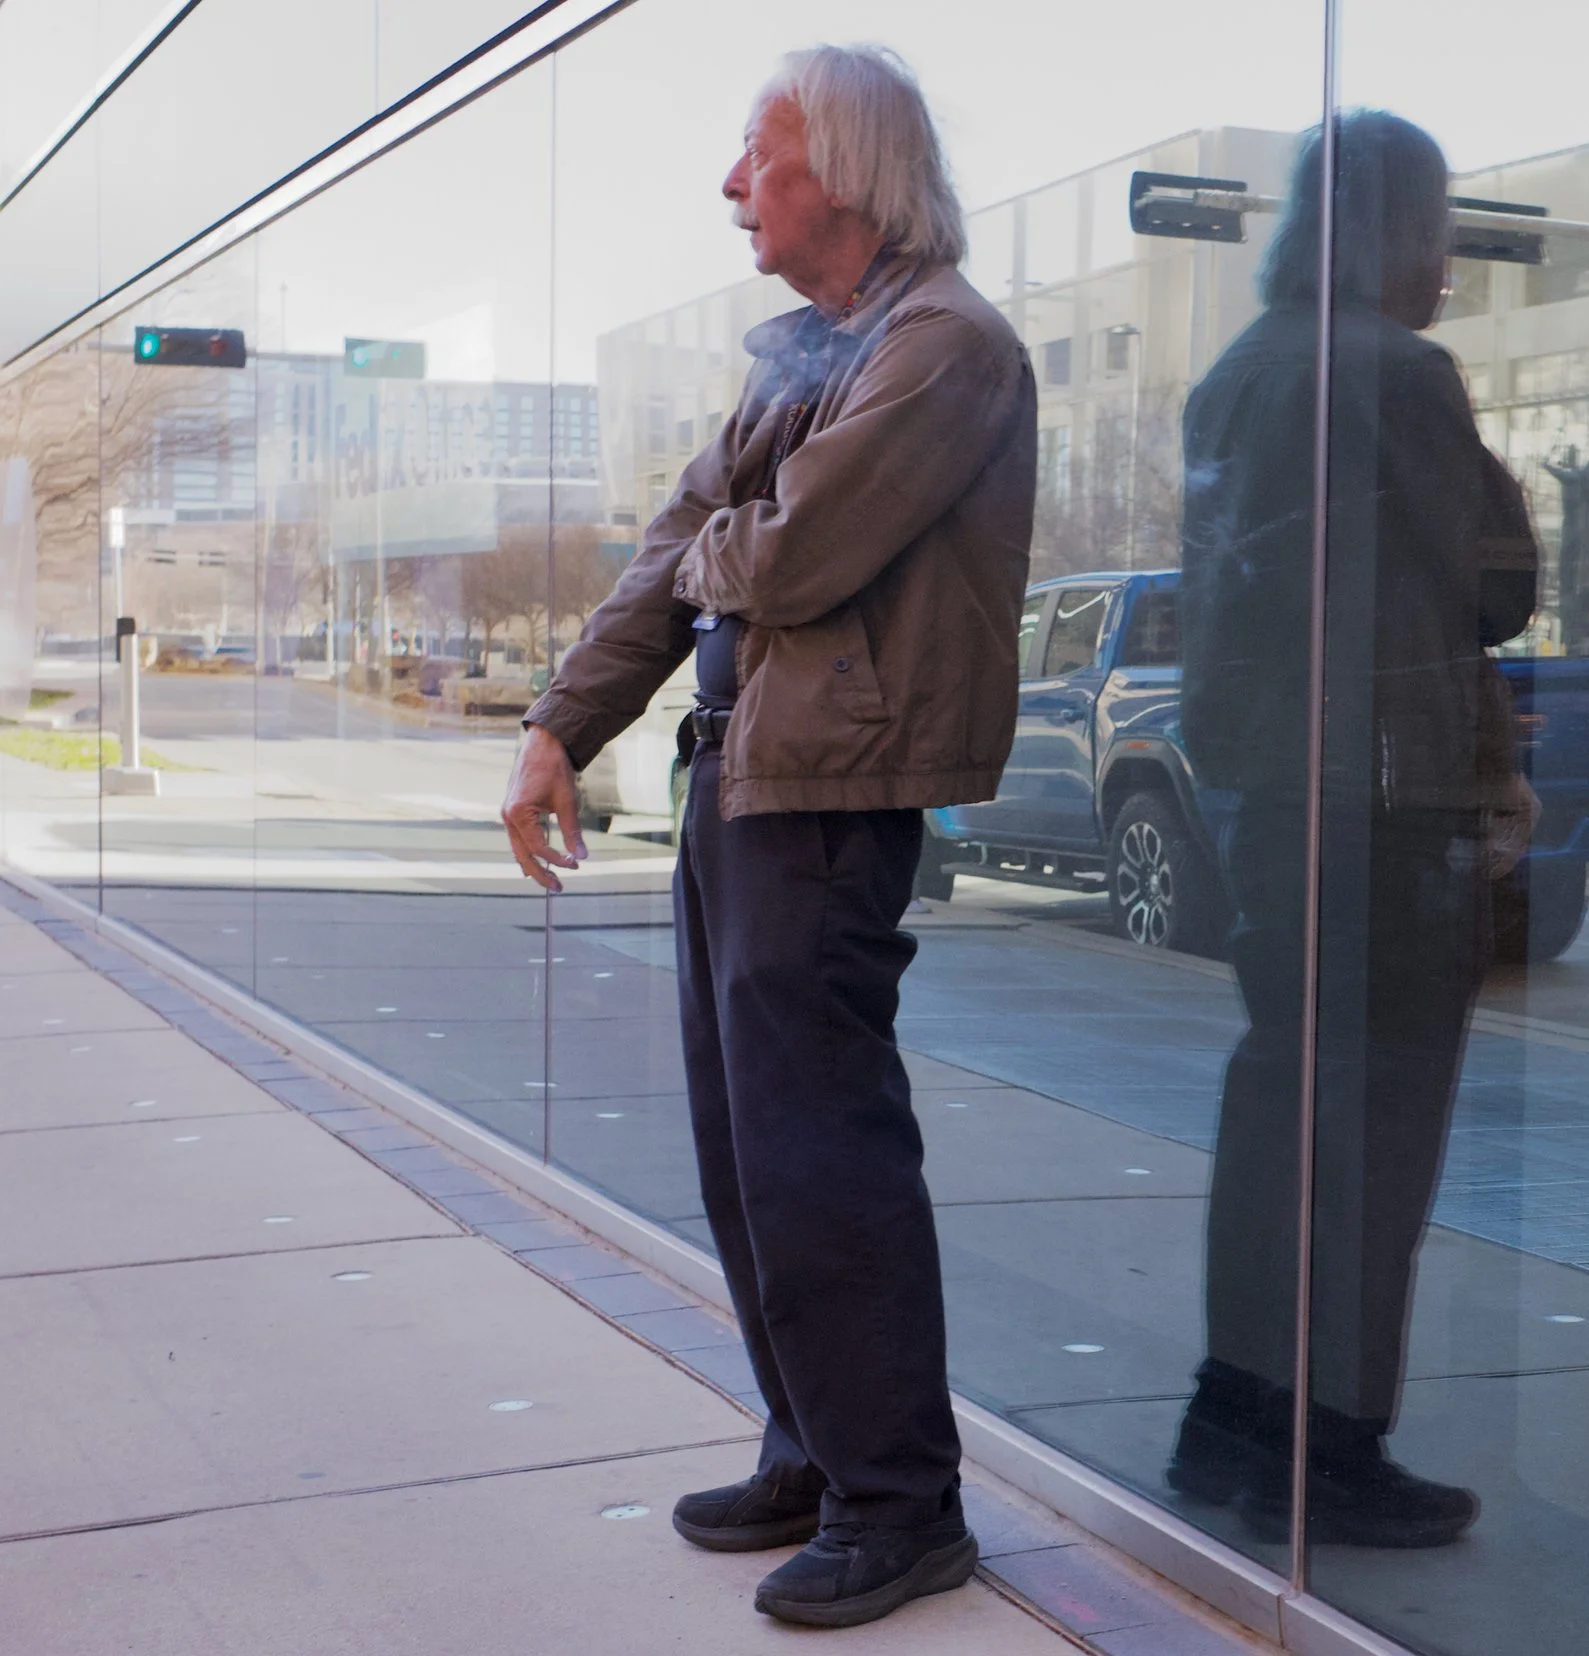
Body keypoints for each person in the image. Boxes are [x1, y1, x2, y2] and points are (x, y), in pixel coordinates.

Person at [499, 44, 1035, 1628]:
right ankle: (813, 1444)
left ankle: (903, 1502)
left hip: (830, 800)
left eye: (760, 157)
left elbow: (780, 559)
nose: (733, 187)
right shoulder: (807, 357)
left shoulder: (946, 347)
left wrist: (721, 531)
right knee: (750, 1160)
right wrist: (558, 727)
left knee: (823, 1156)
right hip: (736, 785)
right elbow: (678, 555)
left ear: (850, 175)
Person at [1172, 110, 1538, 1549]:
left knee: (1279, 1117)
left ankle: (1229, 1421)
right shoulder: (1392, 371)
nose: (1445, 263)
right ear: (1402, 233)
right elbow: (1500, 579)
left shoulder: (1241, 375)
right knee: (1375, 1148)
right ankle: (1330, 1450)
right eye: (1438, 230)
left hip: (1273, 803)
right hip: (1388, 808)